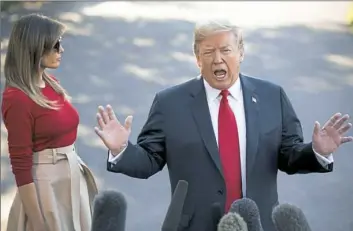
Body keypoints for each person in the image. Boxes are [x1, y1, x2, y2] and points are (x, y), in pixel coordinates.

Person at [94, 21, 353, 231]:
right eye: (208, 52)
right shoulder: (169, 103)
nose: (217, 59)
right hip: (194, 226)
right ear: (197, 58)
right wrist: (122, 150)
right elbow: (150, 160)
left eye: (226, 50)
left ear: (241, 53)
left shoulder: (272, 96)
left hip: (257, 223)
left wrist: (317, 151)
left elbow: (289, 156)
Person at [2, 14, 98, 231]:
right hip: (46, 189)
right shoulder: (17, 98)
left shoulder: (52, 84)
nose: (61, 50)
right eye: (56, 45)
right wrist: (36, 222)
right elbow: (20, 164)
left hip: (71, 178)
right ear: (36, 47)